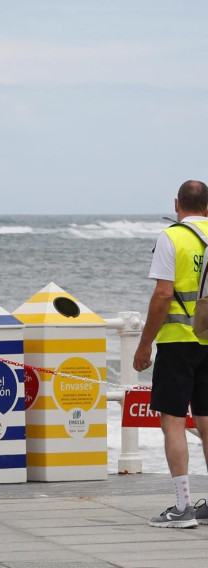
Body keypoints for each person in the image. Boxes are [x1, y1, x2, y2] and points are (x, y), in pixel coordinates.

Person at [133, 180, 208, 528]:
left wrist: (145, 342)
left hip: (178, 341)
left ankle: (183, 508)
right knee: (207, 421)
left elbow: (163, 295)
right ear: (207, 206)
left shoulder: (171, 236)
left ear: (177, 203)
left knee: (174, 422)